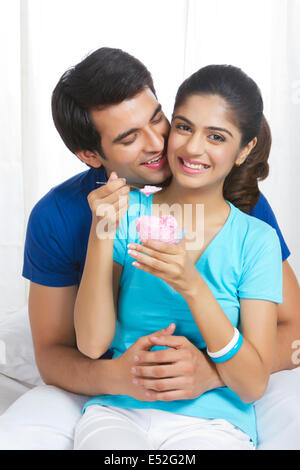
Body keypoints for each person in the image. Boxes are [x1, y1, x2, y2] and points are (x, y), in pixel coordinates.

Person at [0, 48, 299, 450]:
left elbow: (290, 331)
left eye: (158, 119)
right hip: (116, 397)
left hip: (214, 408)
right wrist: (126, 377)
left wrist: (210, 371)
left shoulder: (246, 213)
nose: (164, 144)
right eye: (128, 137)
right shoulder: (69, 215)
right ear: (91, 156)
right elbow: (62, 350)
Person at [72, 64, 283, 450]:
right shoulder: (125, 213)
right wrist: (100, 232)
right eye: (184, 127)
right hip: (120, 412)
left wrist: (192, 286)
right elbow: (91, 344)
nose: (192, 147)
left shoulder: (257, 240)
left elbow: (253, 383)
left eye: (216, 136)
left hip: (215, 422)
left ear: (245, 149)